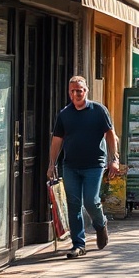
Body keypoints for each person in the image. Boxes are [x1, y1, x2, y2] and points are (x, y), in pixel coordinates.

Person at [47, 75, 120, 259]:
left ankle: (100, 223)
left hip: (94, 165)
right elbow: (57, 141)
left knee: (90, 200)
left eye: (79, 90)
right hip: (70, 165)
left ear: (86, 91)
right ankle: (78, 244)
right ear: (69, 92)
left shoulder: (98, 111)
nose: (76, 94)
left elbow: (111, 136)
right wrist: (51, 164)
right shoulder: (64, 114)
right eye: (72, 91)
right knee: (73, 204)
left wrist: (114, 159)